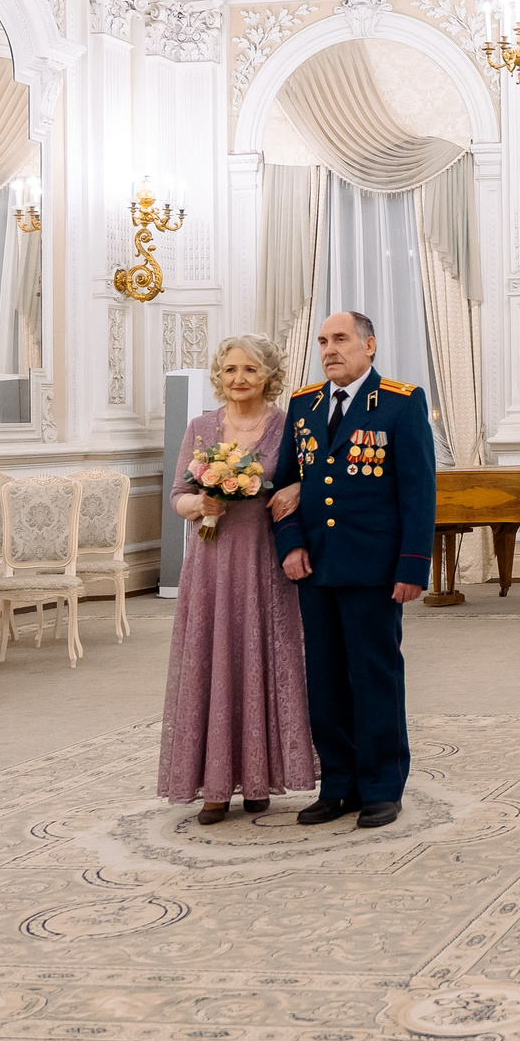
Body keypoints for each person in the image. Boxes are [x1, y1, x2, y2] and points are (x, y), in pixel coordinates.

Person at [267, 312, 436, 829]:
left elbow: (418, 490)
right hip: (315, 567)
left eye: (340, 339)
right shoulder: (303, 405)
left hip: (374, 567)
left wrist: (413, 565)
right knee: (324, 680)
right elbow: (283, 486)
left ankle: (383, 785)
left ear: (370, 345)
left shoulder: (402, 403)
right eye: (323, 341)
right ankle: (338, 785)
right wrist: (290, 546)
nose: (329, 349)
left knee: (374, 675)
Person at [158, 335, 317, 823]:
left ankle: (258, 778)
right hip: (211, 560)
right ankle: (213, 786)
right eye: (229, 370)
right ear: (218, 375)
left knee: (262, 658)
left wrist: (295, 486)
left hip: (267, 559)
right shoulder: (202, 427)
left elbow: (315, 479)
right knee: (213, 659)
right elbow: (178, 494)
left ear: (268, 375)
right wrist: (198, 505)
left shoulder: (289, 425)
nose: (239, 379)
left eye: (250, 370)